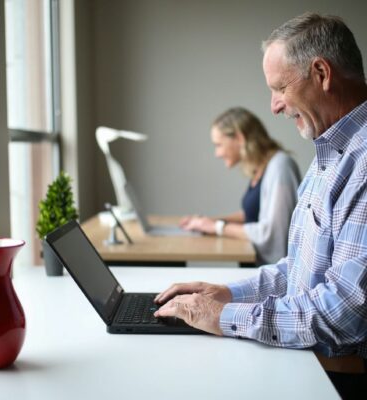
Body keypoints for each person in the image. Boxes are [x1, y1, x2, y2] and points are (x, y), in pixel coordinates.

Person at [155, 13, 367, 399]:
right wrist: (227, 294)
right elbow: (298, 270)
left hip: (337, 377)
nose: (274, 106)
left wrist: (226, 318)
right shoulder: (329, 155)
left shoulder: (363, 162)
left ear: (321, 73)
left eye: (280, 87)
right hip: (308, 362)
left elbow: (345, 313)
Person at [180, 107, 301, 267]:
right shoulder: (261, 167)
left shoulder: (280, 166)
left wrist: (217, 227)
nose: (217, 153)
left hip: (272, 275)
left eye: (218, 144)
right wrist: (208, 222)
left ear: (239, 138)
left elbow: (273, 233)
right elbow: (252, 214)